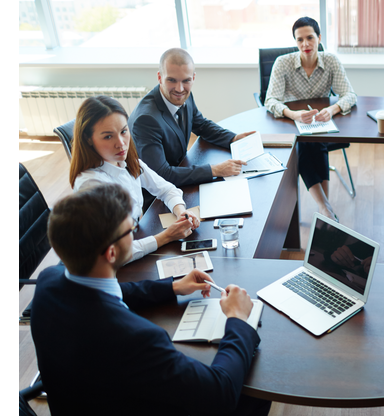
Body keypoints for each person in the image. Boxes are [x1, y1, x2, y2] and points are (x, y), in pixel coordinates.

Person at [30, 183, 271, 416]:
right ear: (111, 253)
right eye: (131, 229)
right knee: (255, 392)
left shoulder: (49, 281)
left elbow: (108, 292)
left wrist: (172, 287)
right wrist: (238, 318)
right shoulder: (136, 338)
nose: (134, 233)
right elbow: (222, 392)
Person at [69, 95, 197, 263]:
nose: (121, 143)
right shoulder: (91, 185)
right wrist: (166, 236)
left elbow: (166, 189)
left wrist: (182, 212)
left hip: (136, 238)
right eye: (108, 136)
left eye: (123, 131)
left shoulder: (126, 161)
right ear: (88, 140)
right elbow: (115, 254)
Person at [264, 16, 357, 221]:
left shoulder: (331, 60)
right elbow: (270, 100)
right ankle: (325, 208)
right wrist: (293, 114)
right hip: (290, 124)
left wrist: (332, 110)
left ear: (319, 38)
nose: (305, 44)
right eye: (300, 40)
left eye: (310, 38)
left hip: (321, 122)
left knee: (315, 142)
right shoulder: (283, 63)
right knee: (306, 144)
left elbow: (350, 95)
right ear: (295, 41)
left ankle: (324, 209)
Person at [129, 47, 255, 188]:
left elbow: (201, 124)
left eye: (186, 81)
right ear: (159, 77)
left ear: (193, 78)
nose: (179, 89)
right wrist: (215, 170)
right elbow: (161, 174)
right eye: (171, 80)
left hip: (182, 172)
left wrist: (233, 138)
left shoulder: (184, 96)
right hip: (159, 194)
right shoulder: (146, 120)